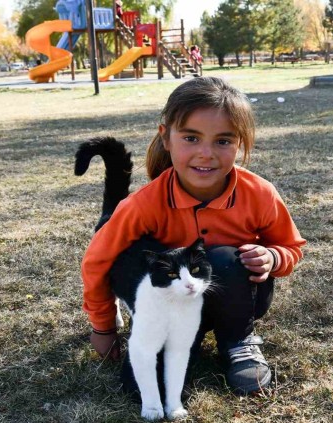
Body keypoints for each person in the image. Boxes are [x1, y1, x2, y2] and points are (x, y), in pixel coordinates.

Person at [82, 77, 306, 395]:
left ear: (240, 143)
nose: (206, 153)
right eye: (191, 138)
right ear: (166, 137)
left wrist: (272, 257)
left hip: (236, 297)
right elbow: (98, 261)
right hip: (171, 305)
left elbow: (290, 246)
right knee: (147, 389)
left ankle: (237, 342)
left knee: (224, 258)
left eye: (223, 141)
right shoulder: (144, 204)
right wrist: (103, 326)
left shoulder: (260, 193)